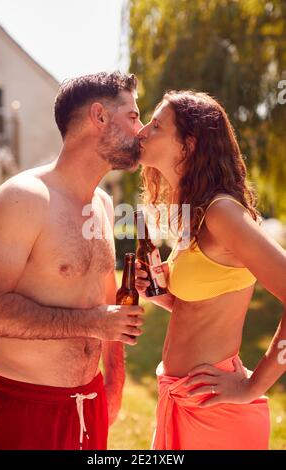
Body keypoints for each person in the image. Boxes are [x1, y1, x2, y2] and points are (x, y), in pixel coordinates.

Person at [0, 72, 144, 450]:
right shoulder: (24, 198)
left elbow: (111, 309)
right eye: (134, 115)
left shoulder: (105, 205)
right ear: (99, 117)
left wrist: (113, 382)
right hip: (23, 406)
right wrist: (93, 323)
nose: (143, 128)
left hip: (90, 405)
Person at [135, 90, 286, 450]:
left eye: (156, 125)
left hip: (213, 413)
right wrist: (163, 295)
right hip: (181, 398)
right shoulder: (197, 214)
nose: (142, 131)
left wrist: (254, 385)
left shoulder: (222, 213)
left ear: (188, 145)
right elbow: (203, 303)